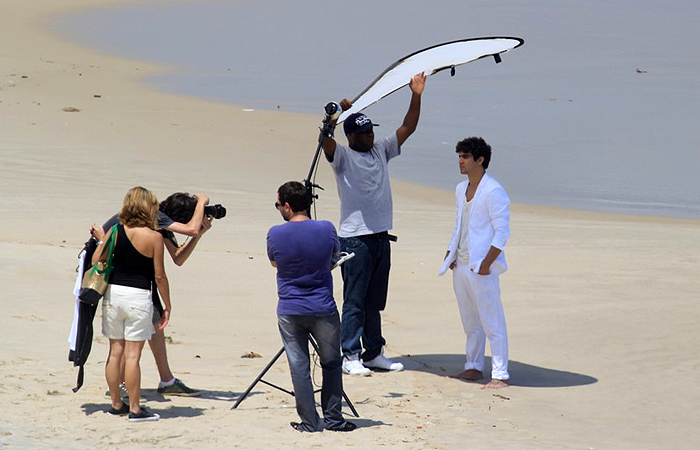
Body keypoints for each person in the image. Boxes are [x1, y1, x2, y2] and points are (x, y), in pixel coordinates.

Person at [321, 72, 426, 376]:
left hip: (381, 237)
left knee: (374, 301)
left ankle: (373, 353)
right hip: (354, 240)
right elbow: (325, 142)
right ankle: (350, 355)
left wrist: (416, 94)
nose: (369, 137)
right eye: (364, 134)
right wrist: (332, 119)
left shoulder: (381, 150)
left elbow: (408, 127)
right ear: (351, 136)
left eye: (370, 132)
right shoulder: (342, 156)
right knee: (354, 300)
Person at [92, 192, 213, 398]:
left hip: (130, 278)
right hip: (123, 280)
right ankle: (121, 387)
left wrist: (199, 234)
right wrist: (202, 201)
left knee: (155, 325)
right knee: (125, 343)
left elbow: (178, 257)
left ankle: (166, 380)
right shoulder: (157, 216)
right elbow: (189, 230)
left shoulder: (155, 223)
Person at [266, 181, 356, 432]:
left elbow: (275, 262)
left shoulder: (275, 233)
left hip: (290, 308)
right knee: (331, 363)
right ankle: (334, 419)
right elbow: (332, 255)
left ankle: (309, 422)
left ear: (286, 206)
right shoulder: (326, 228)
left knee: (299, 366)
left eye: (278, 205)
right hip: (322, 307)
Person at [439, 137, 511, 389]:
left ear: (480, 160)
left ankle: (500, 374)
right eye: (459, 155)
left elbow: (502, 232)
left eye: (466, 156)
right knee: (470, 321)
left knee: (492, 321)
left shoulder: (493, 191)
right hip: (461, 265)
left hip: (482, 267)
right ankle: (473, 367)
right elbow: (460, 223)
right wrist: (451, 253)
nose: (460, 161)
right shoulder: (461, 189)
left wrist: (486, 264)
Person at [94, 186, 169, 421]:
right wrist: (167, 305)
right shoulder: (155, 237)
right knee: (133, 355)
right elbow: (159, 276)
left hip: (113, 295)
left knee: (115, 351)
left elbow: (98, 260)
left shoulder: (115, 230)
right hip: (138, 297)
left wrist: (101, 240)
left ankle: (116, 404)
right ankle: (135, 409)